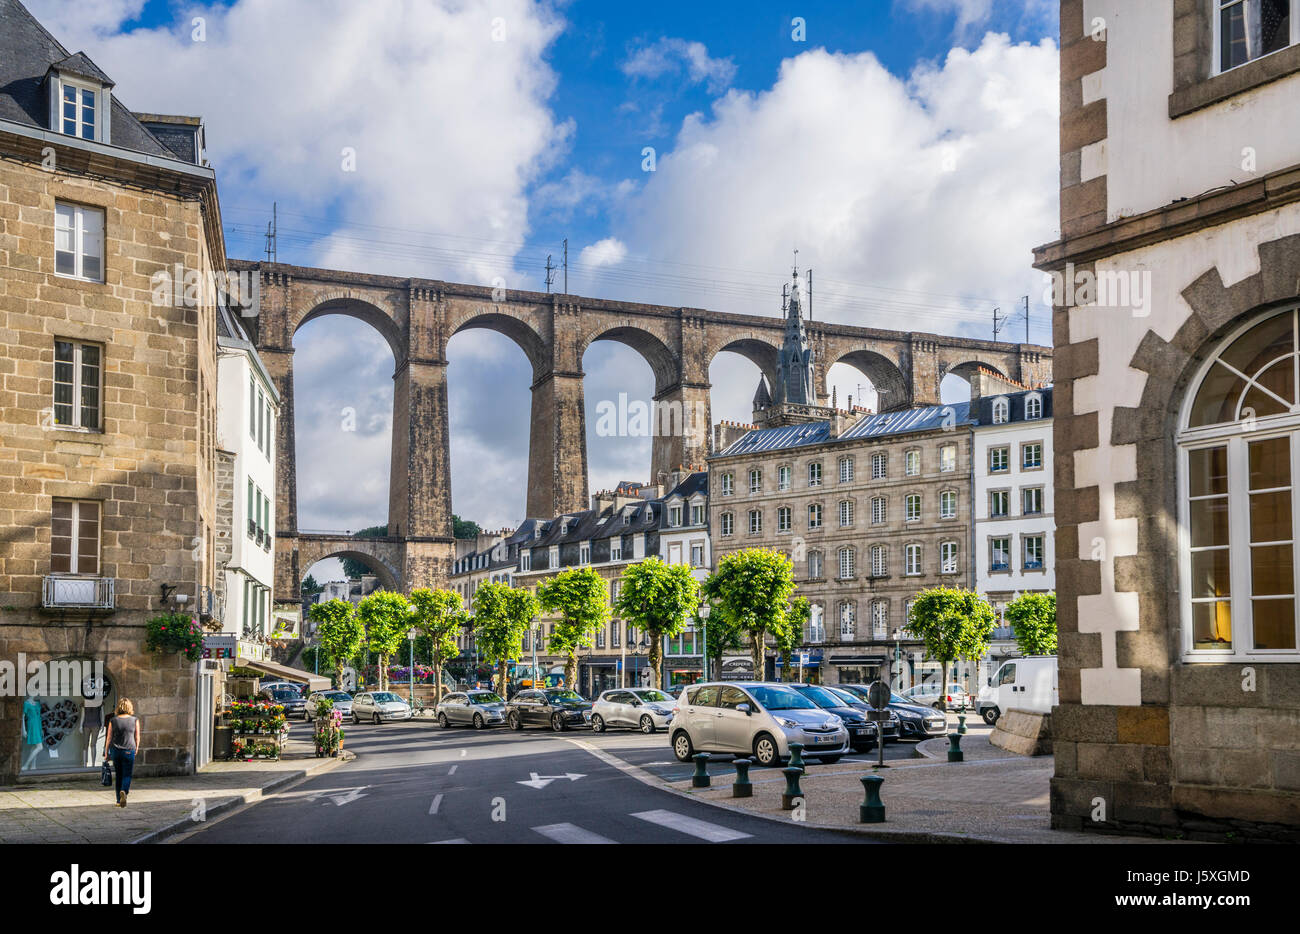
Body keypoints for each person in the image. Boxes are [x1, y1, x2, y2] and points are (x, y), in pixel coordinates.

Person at [103, 698, 140, 808]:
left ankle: (119, 801)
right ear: (130, 707)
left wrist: (106, 752)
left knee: (118, 775)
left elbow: (109, 738)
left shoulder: (113, 720)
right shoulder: (134, 720)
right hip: (129, 750)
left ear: (119, 707)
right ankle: (124, 791)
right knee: (127, 774)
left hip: (116, 751)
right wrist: (137, 747)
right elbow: (137, 736)